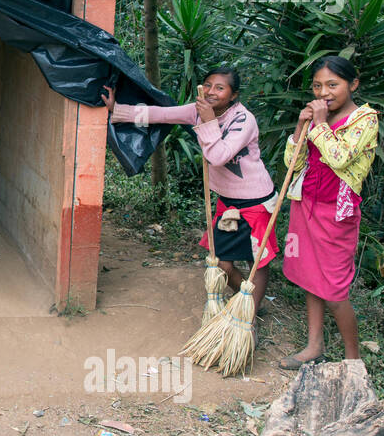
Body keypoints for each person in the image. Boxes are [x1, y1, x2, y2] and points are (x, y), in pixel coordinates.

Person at [102, 68, 278, 305]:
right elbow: (161, 114)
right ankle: (244, 300)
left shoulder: (243, 120)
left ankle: (251, 313)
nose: (211, 92)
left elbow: (218, 156)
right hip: (228, 202)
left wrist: (207, 121)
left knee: (257, 260)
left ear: (233, 95)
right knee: (222, 263)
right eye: (208, 85)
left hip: (256, 200)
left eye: (220, 87)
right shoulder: (198, 111)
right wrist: (118, 110)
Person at [279, 55, 378, 369]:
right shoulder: (315, 119)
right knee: (310, 277)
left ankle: (353, 361)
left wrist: (319, 124)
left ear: (353, 84)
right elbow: (290, 163)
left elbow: (339, 158)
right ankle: (314, 345)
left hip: (337, 213)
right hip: (305, 204)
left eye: (333, 85)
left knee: (334, 288)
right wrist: (300, 125)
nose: (324, 92)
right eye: (318, 85)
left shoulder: (365, 119)